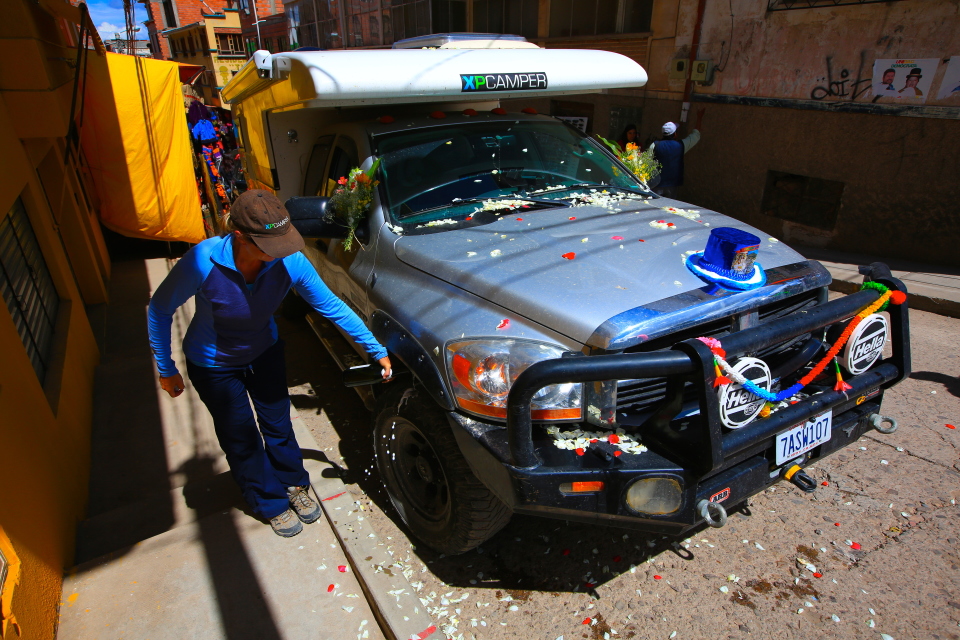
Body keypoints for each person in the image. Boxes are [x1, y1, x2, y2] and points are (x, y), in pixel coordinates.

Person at [147, 190, 392, 538]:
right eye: (269, 247)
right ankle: (269, 501)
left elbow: (330, 305)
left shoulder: (290, 260)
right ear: (240, 237)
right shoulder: (202, 261)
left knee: (278, 424)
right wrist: (166, 367)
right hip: (214, 364)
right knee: (241, 436)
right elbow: (159, 309)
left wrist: (373, 347)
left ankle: (292, 483)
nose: (280, 254)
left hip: (264, 352)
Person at [648, 110, 704, 199]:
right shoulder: (681, 146)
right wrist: (699, 118)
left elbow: (647, 163)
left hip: (655, 184)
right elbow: (696, 135)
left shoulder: (655, 145)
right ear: (675, 134)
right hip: (672, 186)